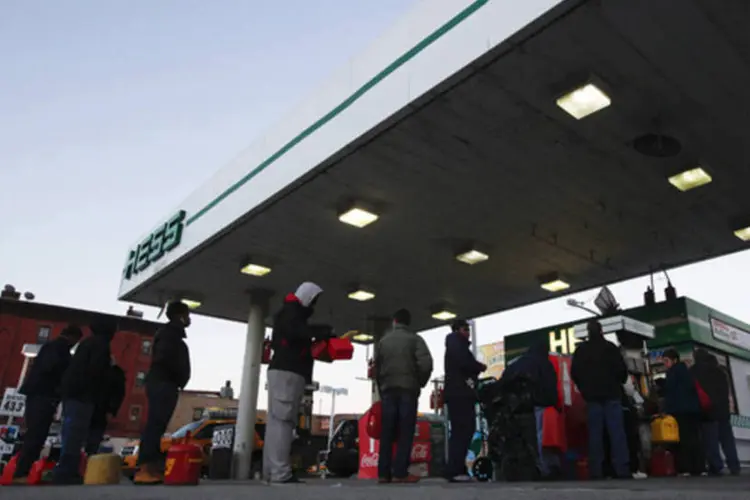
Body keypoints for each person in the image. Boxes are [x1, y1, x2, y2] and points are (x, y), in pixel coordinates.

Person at [264, 282, 332, 484]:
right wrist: (322, 331)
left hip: (282, 371)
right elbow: (298, 332)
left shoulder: (288, 313)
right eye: (314, 300)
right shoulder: (292, 314)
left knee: (277, 422)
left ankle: (272, 471)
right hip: (288, 371)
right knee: (284, 422)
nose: (314, 306)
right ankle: (280, 473)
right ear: (307, 298)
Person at [12, 325, 83, 483]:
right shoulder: (60, 350)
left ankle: (22, 471)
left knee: (35, 433)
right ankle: (21, 472)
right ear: (72, 337)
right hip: (44, 395)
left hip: (38, 394)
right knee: (36, 434)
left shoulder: (50, 347)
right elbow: (52, 369)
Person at [53, 317, 118, 484]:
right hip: (83, 395)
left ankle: (66, 468)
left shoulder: (87, 344)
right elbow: (96, 372)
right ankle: (66, 472)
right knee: (75, 432)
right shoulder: (100, 346)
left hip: (73, 393)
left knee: (70, 431)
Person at [133, 300, 192, 485]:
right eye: (187, 314)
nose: (189, 318)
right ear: (180, 316)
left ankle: (150, 467)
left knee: (157, 425)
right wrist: (177, 375)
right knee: (155, 424)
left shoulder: (170, 334)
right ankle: (145, 468)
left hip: (166, 383)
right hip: (164, 383)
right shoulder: (169, 335)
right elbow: (165, 358)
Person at [374, 309, 433, 484]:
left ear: (394, 321)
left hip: (388, 390)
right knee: (405, 432)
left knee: (387, 431)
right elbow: (426, 363)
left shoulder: (383, 341)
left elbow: (377, 367)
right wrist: (419, 382)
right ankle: (400, 473)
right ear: (408, 323)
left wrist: (382, 386)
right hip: (408, 389)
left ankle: (383, 474)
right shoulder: (415, 339)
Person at [571, 319, 630, 480]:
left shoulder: (581, 350)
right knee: (617, 433)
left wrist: (584, 389)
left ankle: (596, 471)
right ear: (601, 331)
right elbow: (622, 372)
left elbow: (574, 373)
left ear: (588, 332)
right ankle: (622, 469)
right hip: (612, 395)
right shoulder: (610, 348)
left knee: (594, 435)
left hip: (592, 398)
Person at [501, 340, 558, 478]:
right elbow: (550, 385)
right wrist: (553, 402)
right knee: (540, 436)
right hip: (538, 405)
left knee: (521, 437)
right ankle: (543, 468)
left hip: (516, 409)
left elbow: (504, 381)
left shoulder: (516, 364)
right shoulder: (544, 363)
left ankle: (524, 467)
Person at [442, 319, 486, 482]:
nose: (468, 332)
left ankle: (457, 468)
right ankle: (454, 469)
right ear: (457, 330)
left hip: (458, 394)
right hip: (460, 394)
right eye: (464, 329)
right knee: (463, 430)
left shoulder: (456, 346)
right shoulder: (456, 344)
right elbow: (465, 364)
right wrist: (478, 367)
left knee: (462, 431)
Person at [690, 349, 740, 476]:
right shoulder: (720, 371)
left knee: (711, 441)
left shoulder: (695, 371)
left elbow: (692, 391)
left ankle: (716, 466)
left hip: (707, 411)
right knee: (727, 440)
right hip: (723, 411)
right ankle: (734, 465)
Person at [662, 348, 704, 476]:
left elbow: (671, 394)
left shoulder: (672, 373)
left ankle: (686, 468)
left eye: (666, 361)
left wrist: (666, 410)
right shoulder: (687, 371)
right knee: (695, 439)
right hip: (692, 410)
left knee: (683, 440)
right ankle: (699, 468)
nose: (665, 364)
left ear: (674, 360)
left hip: (680, 411)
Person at [87, 362, 126, 455]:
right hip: (96, 410)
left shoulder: (113, 373)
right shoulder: (115, 373)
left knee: (90, 439)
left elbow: (118, 394)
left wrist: (111, 410)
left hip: (96, 410)